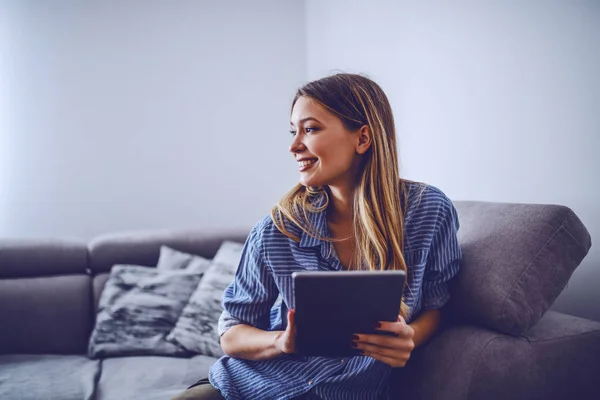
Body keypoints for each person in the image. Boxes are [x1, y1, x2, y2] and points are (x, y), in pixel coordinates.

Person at [172, 73, 462, 400]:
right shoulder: (277, 229)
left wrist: (411, 336)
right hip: (246, 388)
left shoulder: (428, 212)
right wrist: (280, 342)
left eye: (309, 129)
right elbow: (231, 332)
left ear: (363, 138)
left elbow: (440, 305)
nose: (294, 146)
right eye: (293, 131)